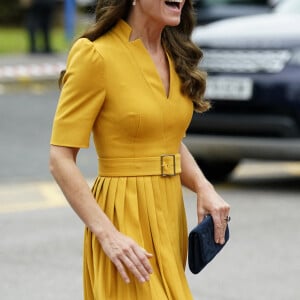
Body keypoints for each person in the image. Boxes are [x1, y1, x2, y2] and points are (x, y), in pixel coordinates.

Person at [49, 0, 231, 299]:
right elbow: (60, 159)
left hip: (169, 214)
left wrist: (203, 186)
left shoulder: (174, 54)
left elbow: (166, 139)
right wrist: (108, 236)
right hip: (123, 218)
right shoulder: (95, 54)